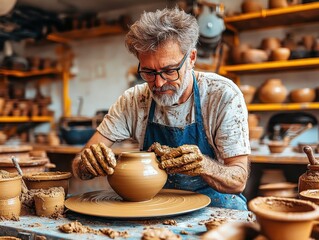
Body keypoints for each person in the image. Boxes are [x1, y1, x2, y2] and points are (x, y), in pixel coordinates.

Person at [72, 7, 251, 210]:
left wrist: (203, 165)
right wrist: (88, 164)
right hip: (155, 203)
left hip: (215, 203)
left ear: (191, 58)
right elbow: (79, 165)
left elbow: (238, 179)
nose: (158, 83)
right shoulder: (133, 100)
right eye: (148, 72)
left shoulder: (222, 95)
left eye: (169, 71)